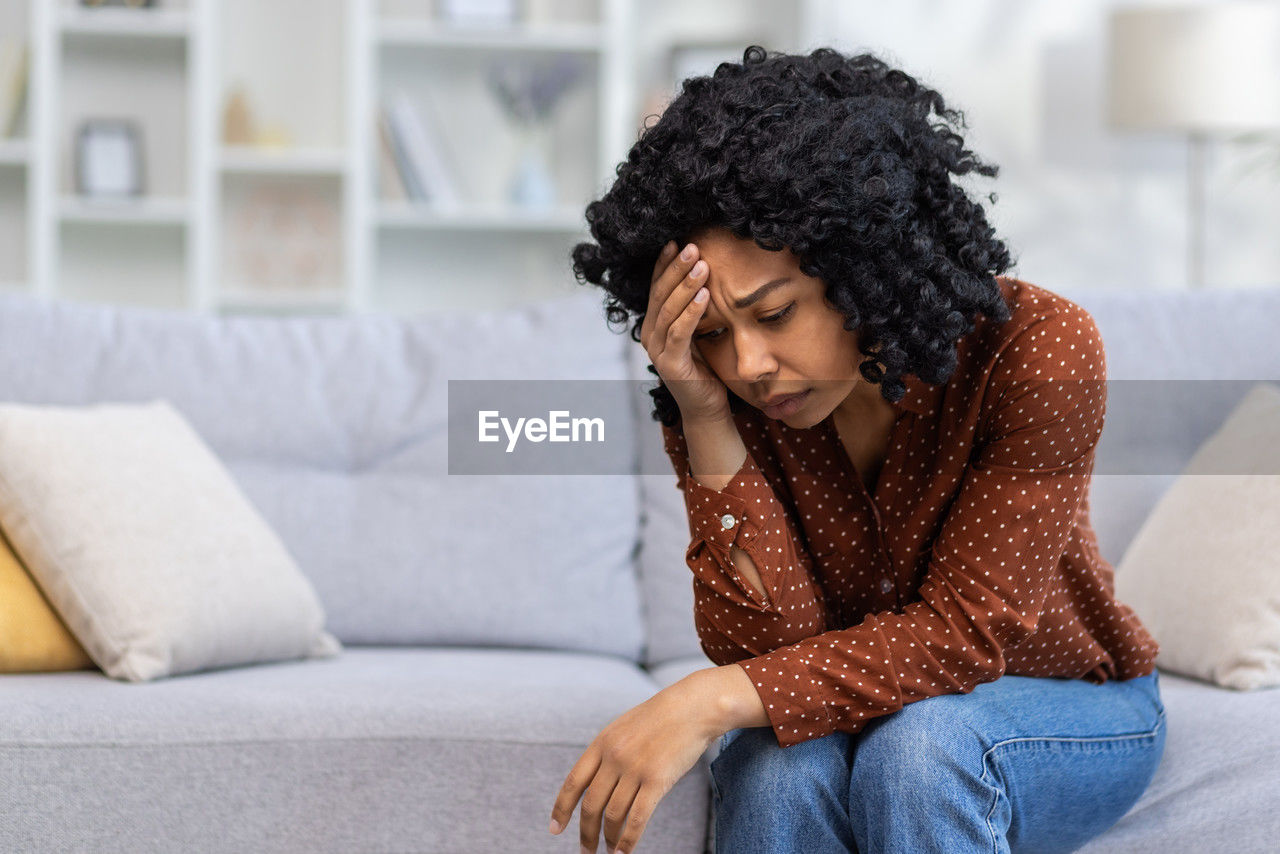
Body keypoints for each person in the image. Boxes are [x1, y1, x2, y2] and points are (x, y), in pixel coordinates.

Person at [548, 45, 1165, 854]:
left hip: (1060, 697)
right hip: (856, 713)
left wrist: (701, 701)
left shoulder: (1037, 346)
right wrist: (703, 419)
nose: (750, 366)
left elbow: (967, 633)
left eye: (774, 314)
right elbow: (768, 653)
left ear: (860, 263)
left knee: (920, 749)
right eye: (711, 337)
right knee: (777, 769)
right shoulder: (717, 390)